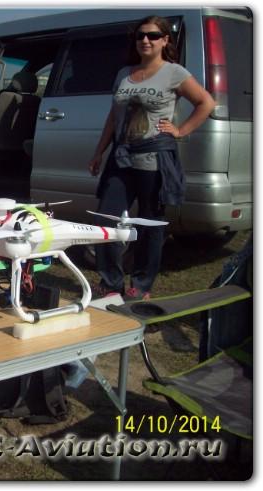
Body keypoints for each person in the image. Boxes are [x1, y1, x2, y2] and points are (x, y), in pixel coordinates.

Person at [88, 15, 215, 301]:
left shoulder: (174, 72)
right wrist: (99, 151)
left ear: (165, 40)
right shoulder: (124, 73)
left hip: (153, 158)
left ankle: (141, 286)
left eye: (153, 35)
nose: (146, 40)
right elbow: (114, 117)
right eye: (141, 35)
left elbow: (205, 102)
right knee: (106, 219)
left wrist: (180, 130)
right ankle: (111, 283)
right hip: (121, 157)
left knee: (149, 222)